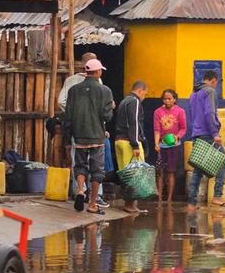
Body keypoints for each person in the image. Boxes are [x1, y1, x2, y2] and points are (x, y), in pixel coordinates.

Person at [65, 59, 114, 214]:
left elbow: (68, 116)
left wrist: (67, 138)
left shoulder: (73, 90)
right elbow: (107, 116)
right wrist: (111, 107)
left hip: (79, 136)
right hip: (97, 137)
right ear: (98, 72)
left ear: (86, 72)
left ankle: (80, 190)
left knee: (80, 166)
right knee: (97, 170)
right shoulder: (105, 91)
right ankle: (92, 203)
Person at [186, 70, 225, 209]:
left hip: (197, 133)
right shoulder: (209, 91)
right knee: (223, 160)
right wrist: (215, 133)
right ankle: (217, 195)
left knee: (198, 168)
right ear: (214, 80)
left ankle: (191, 202)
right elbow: (209, 112)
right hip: (208, 134)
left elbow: (193, 114)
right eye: (216, 83)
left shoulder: (193, 93)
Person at [113, 81, 148, 214]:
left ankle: (130, 204)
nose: (145, 95)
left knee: (125, 174)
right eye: (145, 92)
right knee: (135, 174)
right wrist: (135, 144)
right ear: (140, 90)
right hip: (129, 142)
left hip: (119, 141)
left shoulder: (124, 101)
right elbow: (134, 123)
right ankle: (130, 204)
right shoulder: (135, 101)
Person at [153, 90, 187, 204]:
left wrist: (177, 137)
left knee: (171, 171)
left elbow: (183, 128)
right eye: (165, 99)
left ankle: (169, 198)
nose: (167, 101)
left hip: (174, 145)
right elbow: (157, 129)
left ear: (175, 99)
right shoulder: (158, 112)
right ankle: (159, 198)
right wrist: (156, 143)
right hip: (162, 145)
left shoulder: (180, 111)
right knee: (160, 172)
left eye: (169, 99)